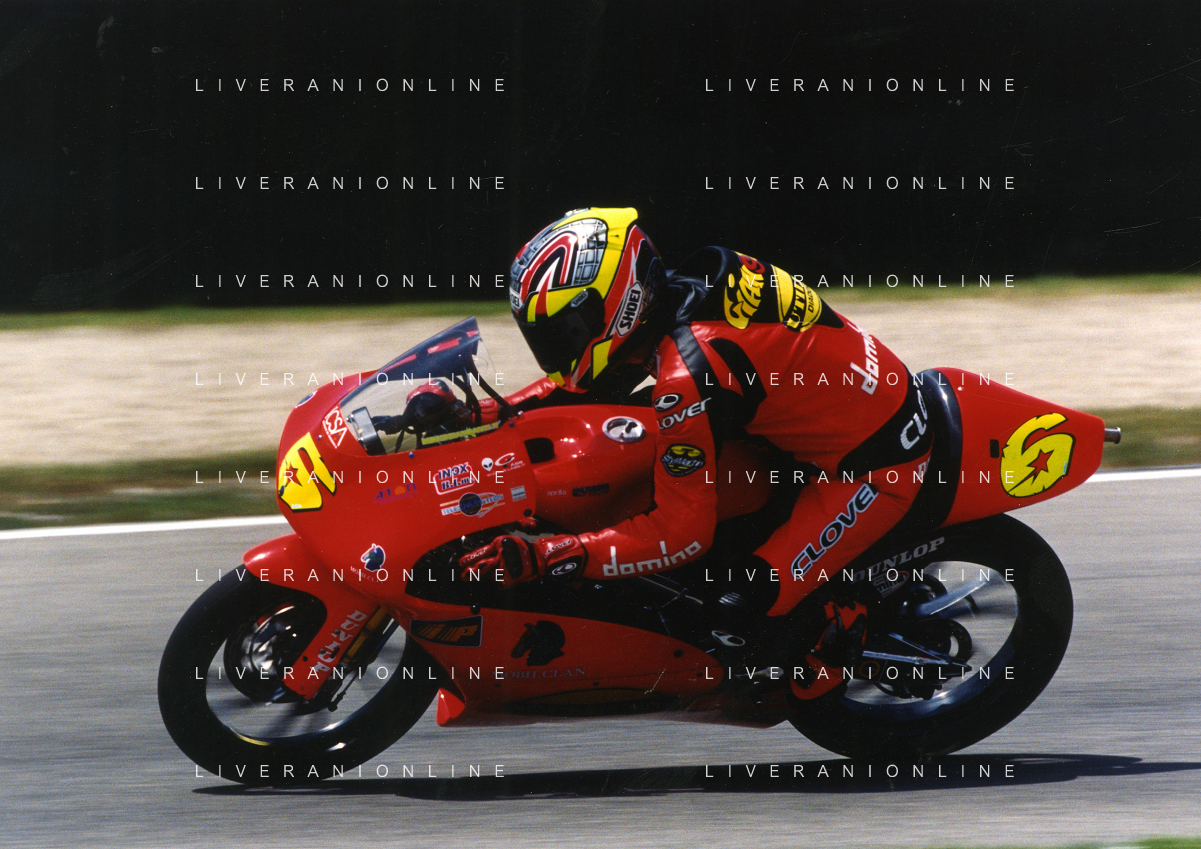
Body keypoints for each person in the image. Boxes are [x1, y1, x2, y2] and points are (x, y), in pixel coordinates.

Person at [459, 207, 932, 699]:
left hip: (874, 467)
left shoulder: (686, 373)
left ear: (620, 303)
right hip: (831, 416)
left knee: (735, 609)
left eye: (567, 332)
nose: (557, 350)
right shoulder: (684, 287)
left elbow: (681, 534)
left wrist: (559, 554)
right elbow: (598, 385)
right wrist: (490, 411)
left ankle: (842, 633)